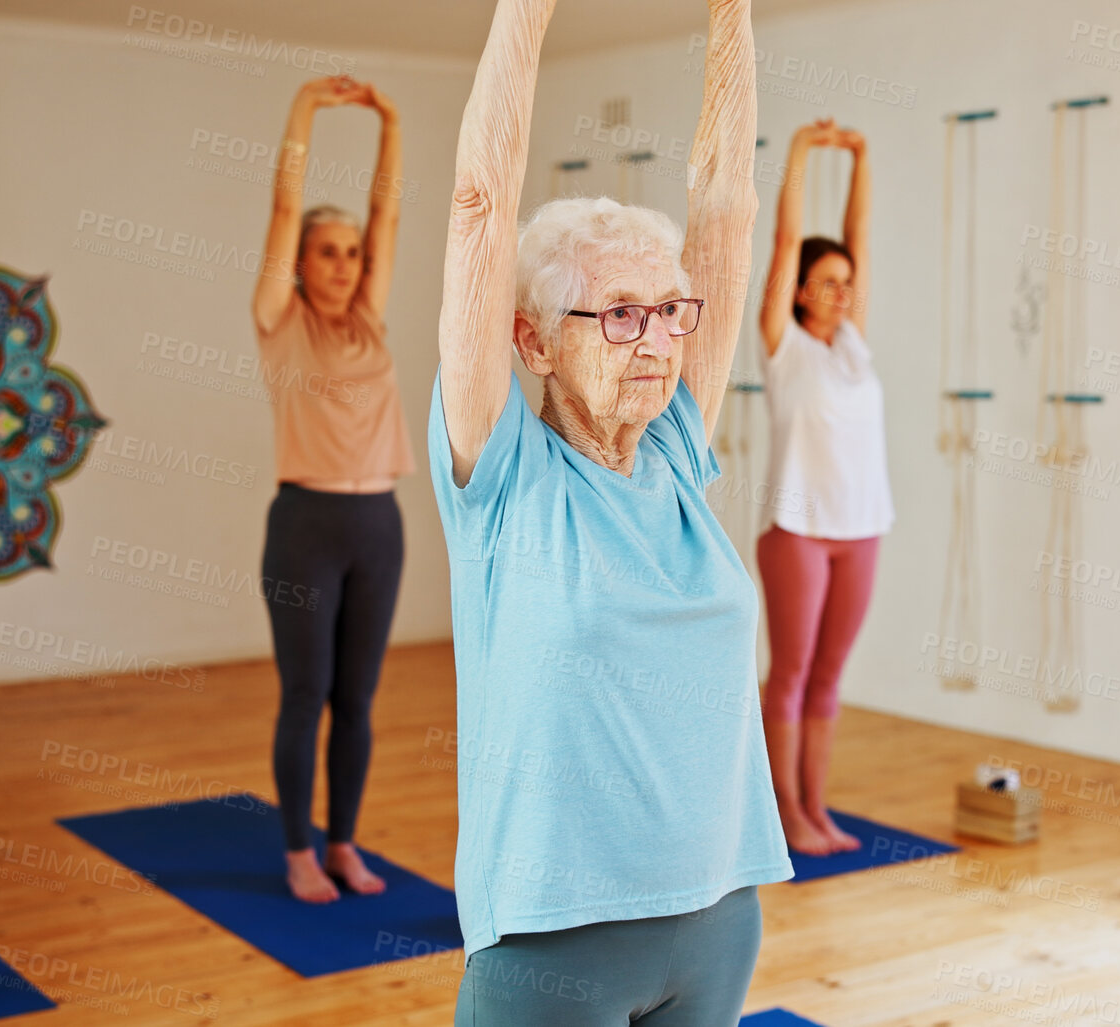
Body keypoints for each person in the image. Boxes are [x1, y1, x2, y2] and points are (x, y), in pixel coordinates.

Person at [428, 0, 788, 1022]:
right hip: (550, 943)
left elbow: (725, 209)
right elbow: (478, 202)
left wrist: (732, 12)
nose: (657, 342)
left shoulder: (673, 449)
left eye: (668, 312)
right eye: (619, 314)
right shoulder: (504, 477)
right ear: (533, 343)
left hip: (719, 921)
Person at [251, 75, 414, 903]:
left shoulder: (370, 319)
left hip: (378, 522)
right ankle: (296, 851)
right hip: (307, 523)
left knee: (356, 698)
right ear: (301, 263)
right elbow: (285, 209)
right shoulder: (281, 322)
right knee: (305, 692)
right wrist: (305, 108)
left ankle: (343, 841)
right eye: (328, 251)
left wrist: (389, 120)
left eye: (352, 254)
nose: (345, 264)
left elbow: (386, 216)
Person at [755, 118, 890, 856]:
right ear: (800, 291)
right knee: (793, 672)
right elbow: (783, 244)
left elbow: (859, 238)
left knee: (830, 678)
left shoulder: (851, 344)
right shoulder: (785, 347)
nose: (842, 292)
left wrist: (862, 156)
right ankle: (780, 812)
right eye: (828, 283)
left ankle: (815, 804)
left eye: (846, 284)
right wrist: (801, 152)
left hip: (861, 527)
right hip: (797, 530)